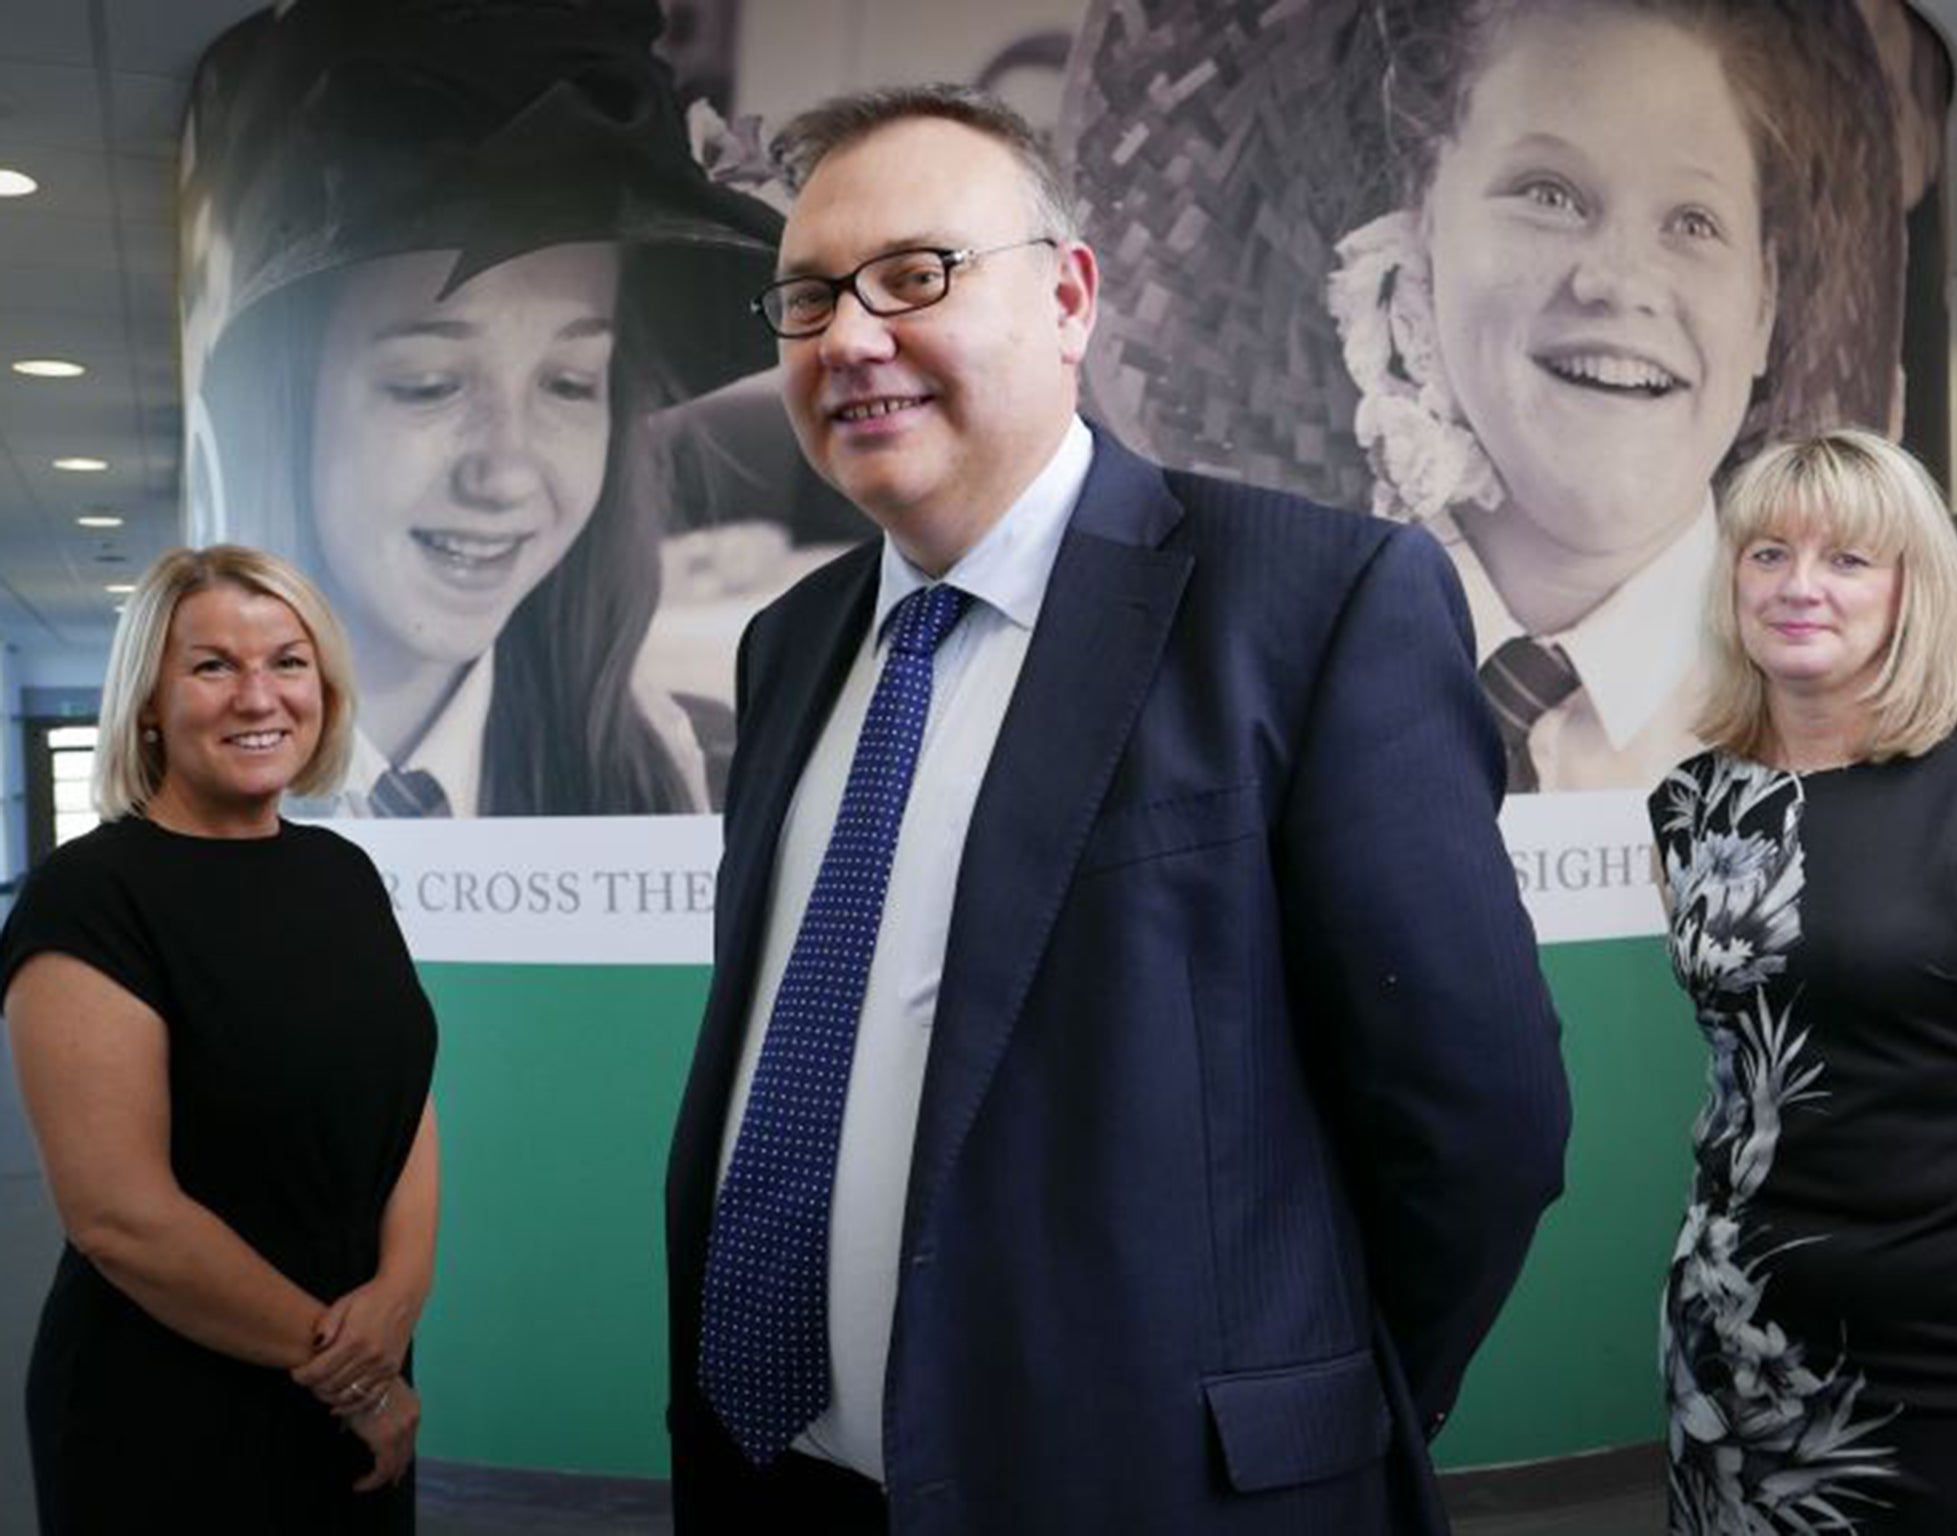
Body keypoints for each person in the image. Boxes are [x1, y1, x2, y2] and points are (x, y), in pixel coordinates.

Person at [663, 85, 1569, 1534]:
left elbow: (1480, 1118)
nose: (847, 337)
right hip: (793, 1482)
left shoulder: (1313, 604)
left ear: (1071, 298)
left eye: (915, 276)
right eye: (807, 296)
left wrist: (1305, 1399)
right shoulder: (789, 645)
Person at [1064, 0, 1906, 793]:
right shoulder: (1251, 682)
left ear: (1763, 307)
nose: (1618, 282)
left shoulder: (1842, 739)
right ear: (1419, 225)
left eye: (1693, 221)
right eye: (1549, 193)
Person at [183, 0, 784, 816]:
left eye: (570, 383)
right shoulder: (183, 801)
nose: (506, 472)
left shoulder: (672, 775)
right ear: (289, 408)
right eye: (430, 384)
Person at [1650, 429, 1957, 1534]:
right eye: (1766, 553)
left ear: (1908, 590)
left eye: (1845, 560)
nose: (1797, 588)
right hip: (1734, 1335)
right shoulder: (1685, 811)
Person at [1, 546, 440, 1531]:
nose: (259, 697)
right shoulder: (87, 898)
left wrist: (401, 1297)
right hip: (169, 1399)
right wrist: (356, 1378)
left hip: (360, 1362)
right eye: (212, 667)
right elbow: (121, 1216)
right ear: (148, 701)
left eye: (287, 662)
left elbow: (400, 1096)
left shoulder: (341, 872)